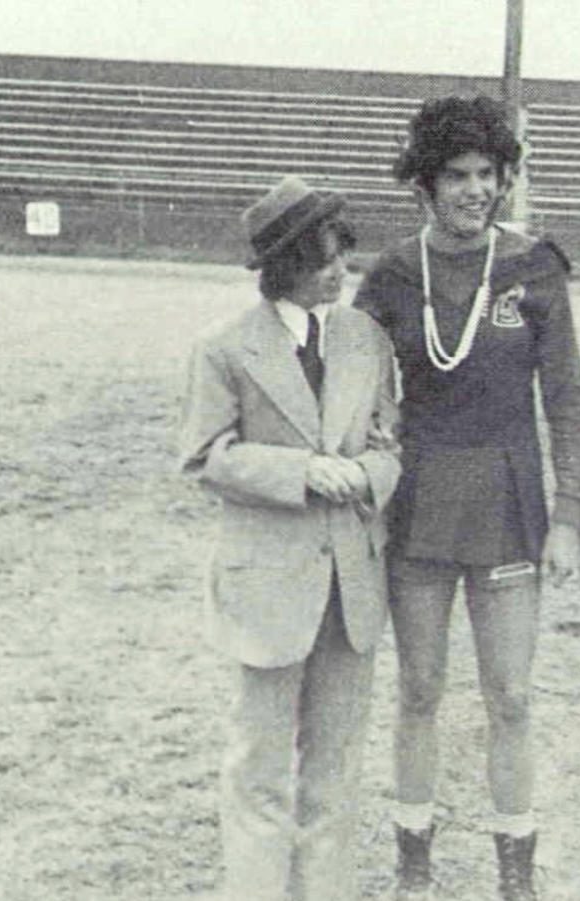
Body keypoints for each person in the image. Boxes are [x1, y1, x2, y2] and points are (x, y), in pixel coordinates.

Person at [353, 94, 580, 901]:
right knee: (419, 687)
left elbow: (566, 400)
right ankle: (413, 862)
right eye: (456, 175)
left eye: (488, 173)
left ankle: (514, 869)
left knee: (511, 694)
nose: (474, 189)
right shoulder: (388, 275)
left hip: (509, 499)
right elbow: (357, 398)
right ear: (424, 183)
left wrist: (569, 518)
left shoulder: (535, 267)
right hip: (418, 503)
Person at [178, 177, 401, 901]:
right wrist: (303, 471)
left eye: (345, 255)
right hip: (267, 591)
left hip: (351, 589)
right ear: (284, 266)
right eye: (324, 260)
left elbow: (389, 442)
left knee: (335, 774)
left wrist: (367, 474)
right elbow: (206, 455)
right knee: (261, 771)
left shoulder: (367, 340)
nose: (340, 272)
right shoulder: (226, 349)